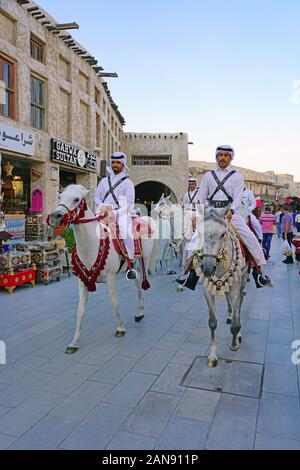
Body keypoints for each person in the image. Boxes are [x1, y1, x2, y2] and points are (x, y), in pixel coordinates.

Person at [177, 145, 272, 289]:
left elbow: (237, 197)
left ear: (230, 158)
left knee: (249, 236)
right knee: (194, 239)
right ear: (216, 157)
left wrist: (232, 211)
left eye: (226, 155)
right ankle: (189, 273)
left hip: (230, 213)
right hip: (211, 213)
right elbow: (201, 197)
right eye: (220, 155)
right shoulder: (208, 176)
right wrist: (198, 216)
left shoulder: (237, 176)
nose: (222, 158)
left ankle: (259, 272)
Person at [94, 151, 136, 279]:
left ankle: (130, 263)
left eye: (118, 163)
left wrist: (115, 212)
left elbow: (129, 204)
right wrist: (102, 206)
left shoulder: (128, 183)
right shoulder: (103, 182)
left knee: (126, 233)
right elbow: (96, 196)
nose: (115, 165)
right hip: (103, 212)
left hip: (120, 213)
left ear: (123, 164)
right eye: (113, 162)